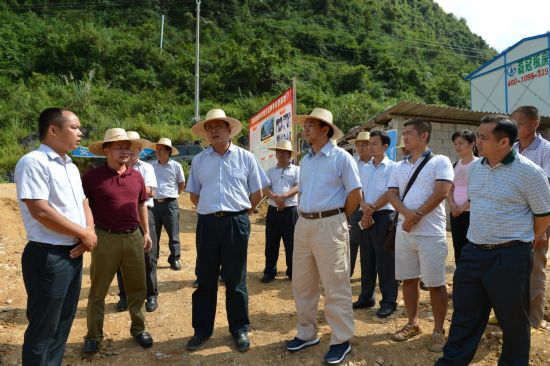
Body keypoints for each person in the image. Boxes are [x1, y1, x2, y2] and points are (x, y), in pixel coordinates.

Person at [437, 115, 550, 366]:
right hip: (473, 253)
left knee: (513, 320)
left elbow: (543, 217)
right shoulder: (476, 169)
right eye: (478, 135)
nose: (477, 141)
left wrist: (519, 240)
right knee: (464, 316)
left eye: (483, 137)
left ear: (504, 142)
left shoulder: (530, 173)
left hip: (509, 257)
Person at [14, 108, 97, 365]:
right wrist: (83, 233)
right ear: (53, 129)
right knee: (43, 329)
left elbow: (84, 203)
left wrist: (89, 232)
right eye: (74, 127)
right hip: (48, 256)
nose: (80, 133)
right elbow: (40, 211)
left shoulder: (70, 165)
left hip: (72, 254)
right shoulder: (33, 162)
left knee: (63, 324)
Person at [185, 109, 267, 353]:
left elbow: (257, 192)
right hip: (208, 224)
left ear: (229, 130)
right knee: (205, 277)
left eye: (217, 126)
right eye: (208, 127)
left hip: (236, 222)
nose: (212, 131)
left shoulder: (245, 158)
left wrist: (241, 213)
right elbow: (193, 194)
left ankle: (239, 328)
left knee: (236, 279)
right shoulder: (200, 160)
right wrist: (212, 211)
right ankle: (202, 330)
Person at [286, 108, 362, 365]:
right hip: (304, 224)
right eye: (305, 124)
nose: (305, 128)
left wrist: (340, 217)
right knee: (302, 284)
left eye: (311, 124)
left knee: (335, 284)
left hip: (330, 223)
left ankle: (341, 340)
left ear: (325, 129)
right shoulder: (305, 161)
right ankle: (307, 333)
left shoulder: (341, 158)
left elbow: (355, 194)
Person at [82, 128, 153, 354]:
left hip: (133, 236)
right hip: (105, 238)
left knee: (137, 288)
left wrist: (147, 233)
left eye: (127, 147)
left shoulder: (137, 176)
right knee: (98, 290)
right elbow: (83, 204)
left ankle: (139, 328)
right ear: (106, 151)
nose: (125, 151)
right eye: (119, 147)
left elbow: (142, 205)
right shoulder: (92, 177)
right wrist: (88, 231)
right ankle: (93, 335)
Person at [387, 119, 453, 352]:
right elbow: (392, 194)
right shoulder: (399, 166)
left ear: (424, 136)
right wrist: (407, 215)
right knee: (408, 280)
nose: (404, 137)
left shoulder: (440, 161)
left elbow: (442, 192)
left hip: (430, 233)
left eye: (408, 133)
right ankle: (412, 323)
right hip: (404, 232)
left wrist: (416, 216)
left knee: (435, 283)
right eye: (403, 133)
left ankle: (438, 330)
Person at [511, 106, 550, 332]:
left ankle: (534, 319)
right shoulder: (513, 148)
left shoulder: (545, 150)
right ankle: (513, 314)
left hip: (536, 217)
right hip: (514, 217)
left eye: (520, 124)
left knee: (535, 268)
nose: (516, 128)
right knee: (512, 267)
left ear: (535, 124)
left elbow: (546, 187)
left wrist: (542, 228)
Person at [354, 130, 399, 318]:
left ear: (385, 146)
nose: (369, 147)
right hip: (365, 214)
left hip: (383, 216)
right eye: (368, 143)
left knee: (385, 261)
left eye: (374, 144)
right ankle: (366, 296)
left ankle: (389, 301)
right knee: (367, 257)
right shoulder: (365, 168)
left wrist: (370, 209)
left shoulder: (393, 168)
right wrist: (364, 207)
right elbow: (359, 191)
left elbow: (390, 193)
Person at [115, 131, 159, 313]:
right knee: (121, 256)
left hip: (144, 213)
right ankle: (124, 295)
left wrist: (127, 188)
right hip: (121, 214)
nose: (130, 151)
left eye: (133, 148)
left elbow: (151, 192)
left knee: (148, 256)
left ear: (140, 149)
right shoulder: (114, 168)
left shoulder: (146, 168)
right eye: (126, 147)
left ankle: (151, 295)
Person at [261, 139, 300, 283]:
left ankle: (293, 271)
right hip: (273, 210)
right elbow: (265, 188)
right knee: (271, 242)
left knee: (292, 243)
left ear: (290, 154)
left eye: (285, 152)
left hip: (290, 211)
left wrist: (284, 196)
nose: (282, 154)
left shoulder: (297, 170)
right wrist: (275, 198)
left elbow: (298, 186)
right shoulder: (270, 171)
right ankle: (269, 271)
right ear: (276, 154)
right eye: (279, 151)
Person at [151, 137, 185, 271]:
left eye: (161, 150)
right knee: (154, 233)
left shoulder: (176, 166)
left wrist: (173, 194)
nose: (158, 152)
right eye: (157, 150)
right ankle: (153, 258)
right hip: (153, 204)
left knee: (173, 233)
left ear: (168, 152)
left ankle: (174, 259)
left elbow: (181, 184)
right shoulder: (152, 166)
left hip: (170, 203)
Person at [447, 130, 478, 263]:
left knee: (471, 246)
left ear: (472, 144)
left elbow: (479, 190)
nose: (458, 146)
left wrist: (464, 207)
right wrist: (453, 206)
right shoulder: (454, 165)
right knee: (458, 246)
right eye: (455, 144)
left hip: (472, 212)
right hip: (455, 213)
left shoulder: (479, 164)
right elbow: (449, 188)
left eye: (461, 143)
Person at [348, 131, 371, 282]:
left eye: (365, 144)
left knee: (368, 245)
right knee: (351, 241)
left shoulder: (376, 164)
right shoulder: (352, 164)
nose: (361, 148)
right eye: (358, 145)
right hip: (355, 207)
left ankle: (367, 277)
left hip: (373, 208)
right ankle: (347, 273)